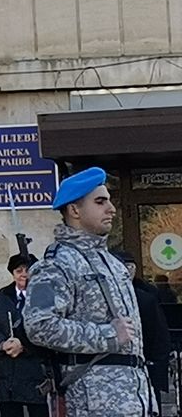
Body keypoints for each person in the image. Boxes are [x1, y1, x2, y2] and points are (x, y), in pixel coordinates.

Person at [23, 167, 152, 417]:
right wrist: (107, 334)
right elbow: (39, 326)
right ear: (75, 210)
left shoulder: (113, 264)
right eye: (100, 202)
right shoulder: (56, 265)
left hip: (134, 399)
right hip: (93, 402)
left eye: (109, 201)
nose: (111, 209)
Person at [0, 254, 47, 417]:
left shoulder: (44, 297)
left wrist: (23, 345)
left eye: (27, 270)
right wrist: (2, 344)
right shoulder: (1, 297)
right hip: (7, 374)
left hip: (36, 371)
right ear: (13, 273)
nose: (24, 274)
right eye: (19, 270)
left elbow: (49, 330)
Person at [114, 251, 172, 408]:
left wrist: (155, 367)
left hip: (145, 362)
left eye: (131, 267)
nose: (128, 271)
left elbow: (159, 336)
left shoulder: (147, 296)